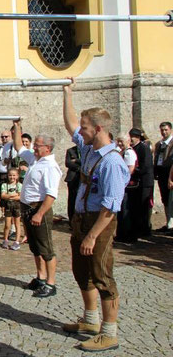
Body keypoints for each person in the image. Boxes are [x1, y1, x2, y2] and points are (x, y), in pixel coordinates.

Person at [62, 78, 130, 352]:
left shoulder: (112, 161)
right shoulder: (90, 148)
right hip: (82, 219)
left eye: (86, 126)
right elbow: (70, 125)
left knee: (102, 275)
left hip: (98, 223)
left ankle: (109, 333)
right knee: (82, 272)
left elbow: (111, 206)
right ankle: (90, 321)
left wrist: (91, 235)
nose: (82, 130)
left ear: (99, 128)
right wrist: (67, 92)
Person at [13, 122, 62, 298]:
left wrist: (40, 213)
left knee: (46, 248)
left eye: (37, 146)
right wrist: (17, 127)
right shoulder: (36, 159)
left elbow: (51, 194)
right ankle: (40, 277)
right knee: (35, 247)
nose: (33, 148)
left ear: (47, 148)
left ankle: (51, 283)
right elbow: (19, 147)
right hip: (27, 208)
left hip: (38, 208)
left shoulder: (50, 166)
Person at [129, 128, 154, 238]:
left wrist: (134, 171)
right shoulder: (134, 148)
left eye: (132, 137)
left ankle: (145, 229)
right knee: (137, 205)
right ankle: (138, 228)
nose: (130, 139)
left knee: (144, 205)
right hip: (138, 181)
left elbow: (146, 166)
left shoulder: (143, 148)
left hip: (145, 182)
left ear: (137, 137)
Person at [114, 134, 137, 243]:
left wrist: (121, 183)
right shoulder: (122, 152)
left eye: (121, 141)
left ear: (127, 141)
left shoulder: (129, 153)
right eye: (118, 141)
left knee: (126, 210)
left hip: (127, 186)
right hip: (123, 185)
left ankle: (127, 235)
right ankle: (122, 233)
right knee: (122, 211)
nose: (119, 144)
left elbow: (129, 170)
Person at [153, 122, 173, 228]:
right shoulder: (159, 144)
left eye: (166, 130)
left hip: (170, 173)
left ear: (170, 130)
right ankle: (168, 222)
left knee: (171, 199)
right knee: (165, 198)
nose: (164, 132)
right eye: (162, 130)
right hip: (161, 174)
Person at [0, 168, 22, 250]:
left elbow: (20, 197)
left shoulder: (19, 185)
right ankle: (5, 240)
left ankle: (16, 242)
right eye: (10, 175)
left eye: (14, 175)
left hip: (17, 206)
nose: (12, 177)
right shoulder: (4, 185)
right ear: (7, 176)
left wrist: (9, 196)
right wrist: (13, 195)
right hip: (8, 206)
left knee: (17, 224)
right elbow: (3, 195)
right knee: (7, 225)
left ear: (17, 176)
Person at [65, 145, 81, 222]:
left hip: (82, 179)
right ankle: (71, 220)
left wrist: (76, 160)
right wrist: (79, 168)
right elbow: (68, 163)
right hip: (73, 179)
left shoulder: (88, 150)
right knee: (72, 200)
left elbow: (86, 162)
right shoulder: (70, 150)